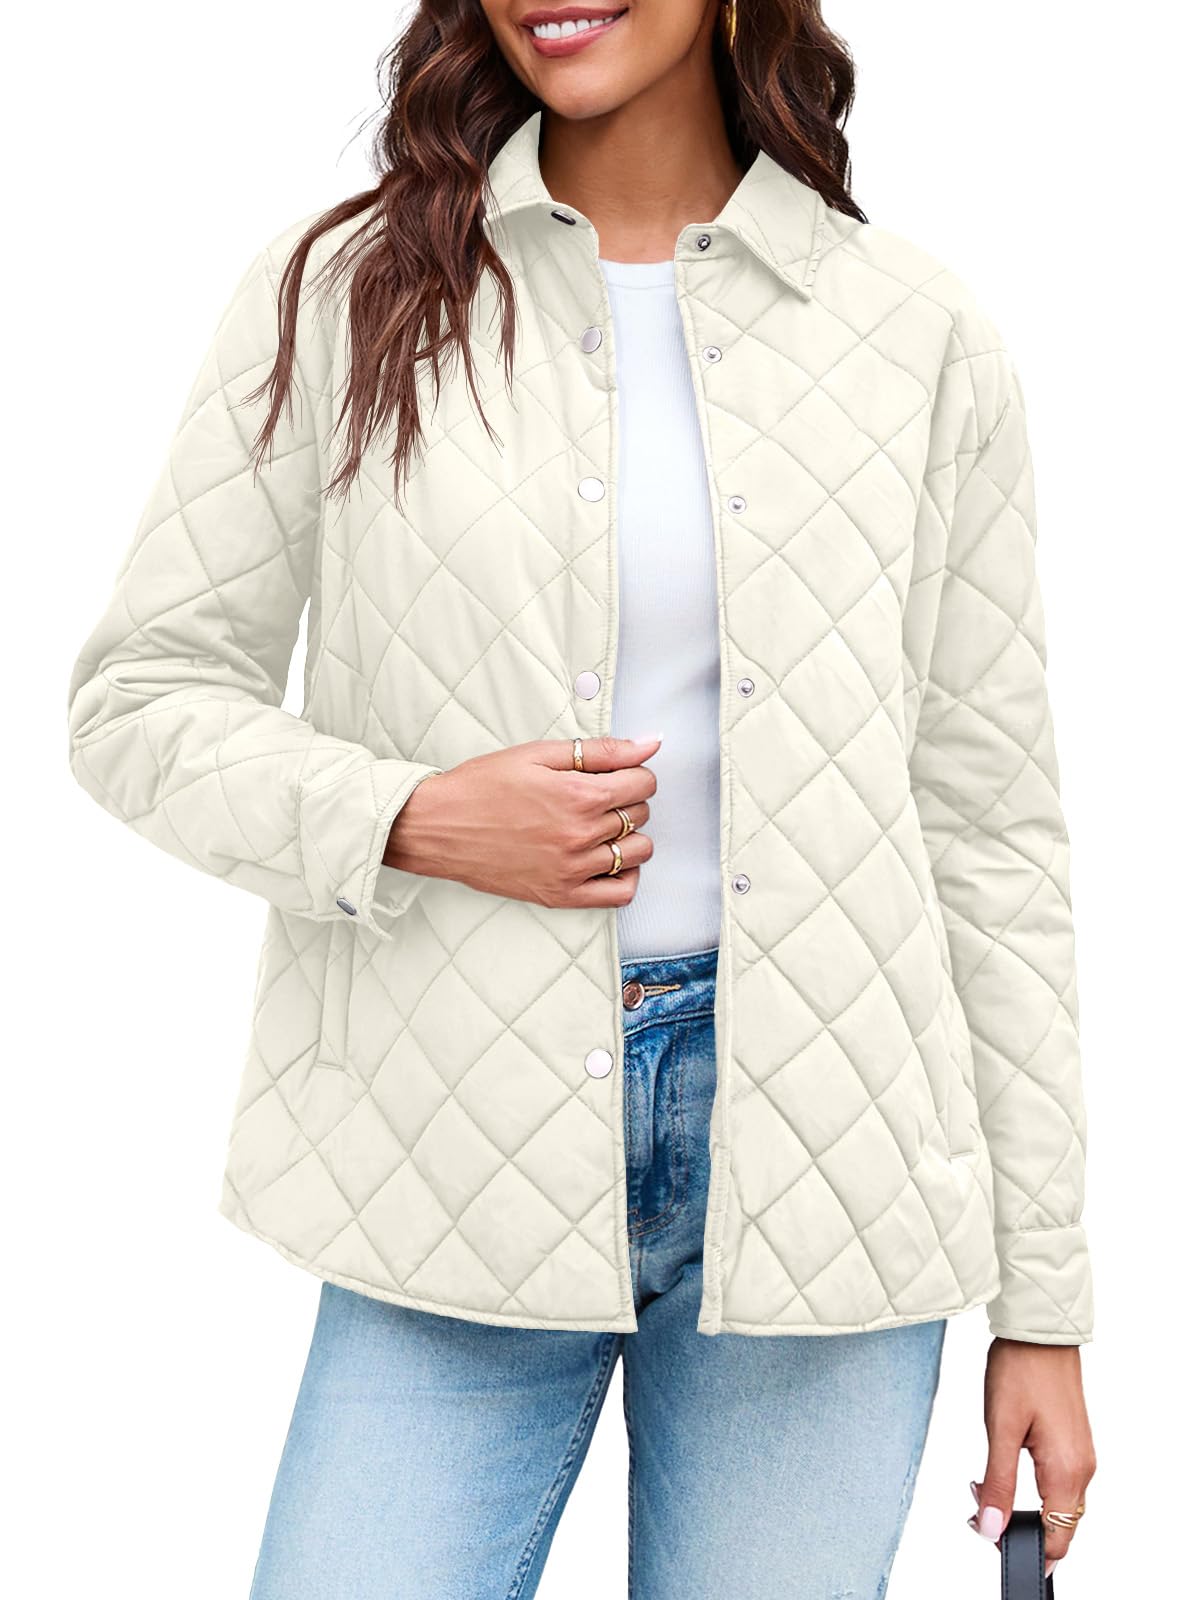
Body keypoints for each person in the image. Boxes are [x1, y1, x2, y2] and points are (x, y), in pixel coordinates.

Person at [66, 1, 1097, 1593]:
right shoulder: (346, 296)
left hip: (832, 1168)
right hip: (449, 1150)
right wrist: (410, 813)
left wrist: (1045, 1305)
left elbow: (990, 832)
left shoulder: (916, 333)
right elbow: (137, 702)